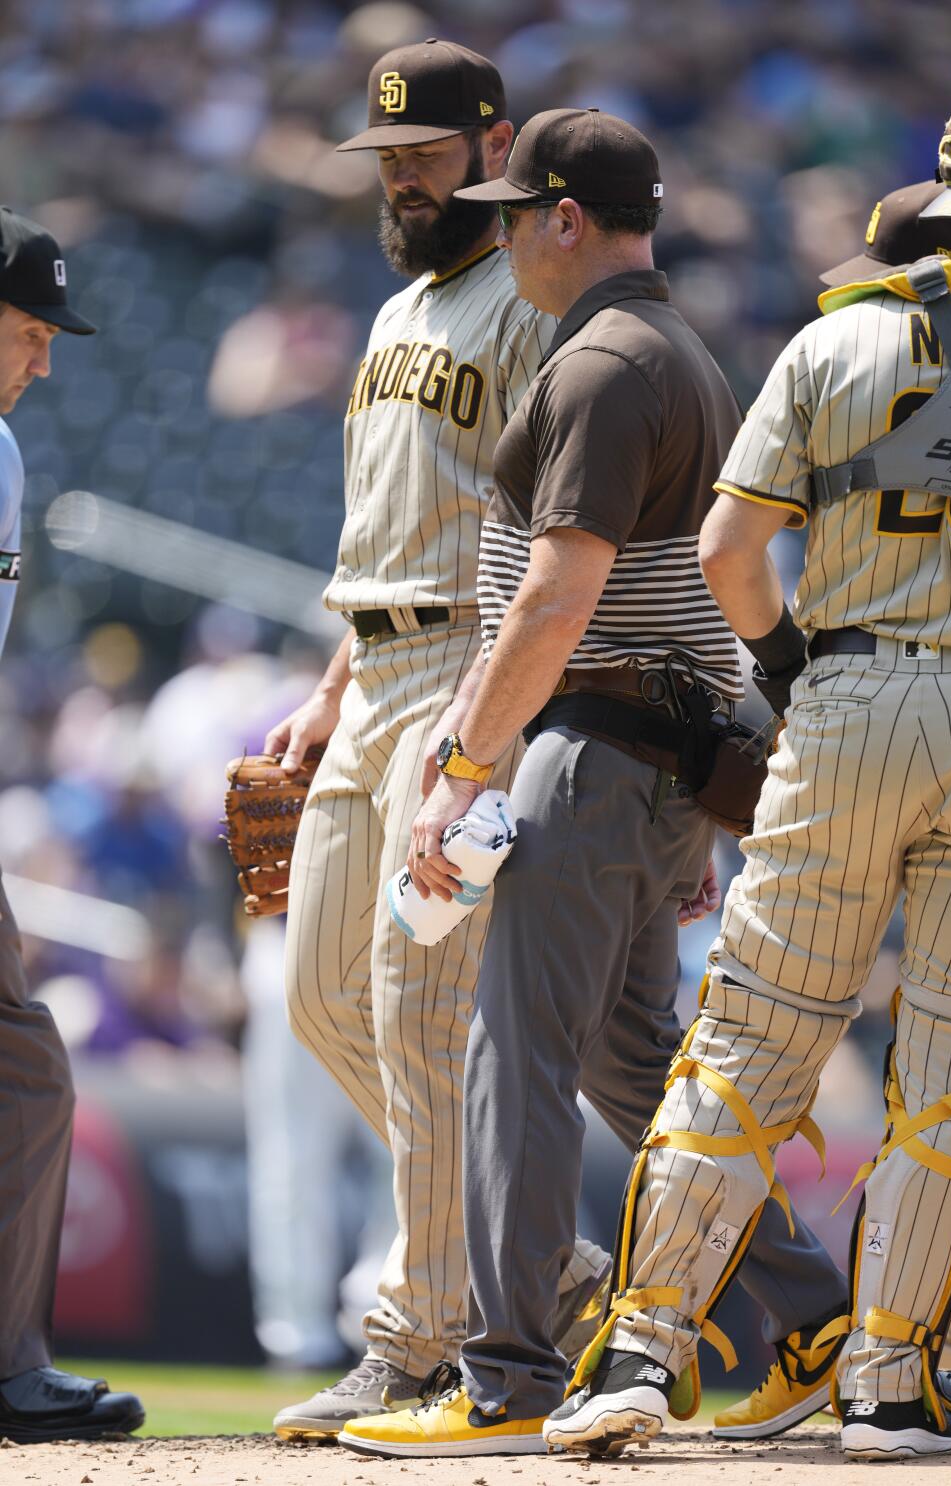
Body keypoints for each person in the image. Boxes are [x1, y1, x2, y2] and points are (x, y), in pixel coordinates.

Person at [336, 106, 848, 1461]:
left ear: (566, 220)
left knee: (515, 1054)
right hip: (654, 751)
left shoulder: (606, 360)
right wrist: (678, 797)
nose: (498, 233)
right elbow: (682, 589)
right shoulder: (671, 347)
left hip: (593, 744)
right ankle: (802, 1306)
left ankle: (504, 1373)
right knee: (631, 1056)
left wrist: (460, 763)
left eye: (513, 213)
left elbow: (557, 599)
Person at [542, 83, 951, 1463]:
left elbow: (727, 552)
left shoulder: (837, 335)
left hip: (848, 695)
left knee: (748, 1033)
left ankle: (640, 1345)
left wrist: (796, 673)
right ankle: (885, 1382)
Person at [269, 41, 612, 1441]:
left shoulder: (528, 302)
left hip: (466, 671)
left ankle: (421, 1336)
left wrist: (505, 708)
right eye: (386, 160)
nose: (402, 179)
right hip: (371, 664)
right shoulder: (397, 309)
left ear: (494, 147)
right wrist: (325, 681)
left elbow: (542, 529)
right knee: (319, 1003)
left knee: (418, 1011)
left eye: (423, 155)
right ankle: (548, 1263)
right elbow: (381, 535)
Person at [0, 207, 143, 1443]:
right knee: (22, 1066)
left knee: (22, 1067)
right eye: (29, 329)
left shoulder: (0, 450)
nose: (45, 358)